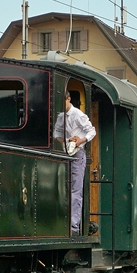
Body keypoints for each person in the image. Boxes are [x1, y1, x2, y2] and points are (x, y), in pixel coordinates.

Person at [53, 91, 96, 236]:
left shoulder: (78, 115)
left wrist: (80, 140)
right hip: (65, 152)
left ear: (68, 99)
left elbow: (91, 131)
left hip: (77, 153)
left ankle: (74, 226)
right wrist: (66, 141)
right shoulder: (60, 117)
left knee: (75, 190)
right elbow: (56, 134)